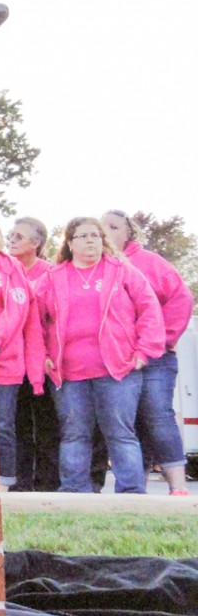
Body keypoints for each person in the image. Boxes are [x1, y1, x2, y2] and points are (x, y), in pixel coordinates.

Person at [33, 217, 165, 493]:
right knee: (74, 435)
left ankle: (131, 493)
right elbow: (35, 321)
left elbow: (150, 311)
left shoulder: (122, 272)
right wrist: (42, 355)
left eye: (95, 235)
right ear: (69, 243)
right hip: (68, 373)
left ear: (103, 241)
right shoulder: (53, 278)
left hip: (118, 370)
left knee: (120, 434)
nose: (90, 240)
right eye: (82, 236)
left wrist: (143, 353)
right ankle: (73, 493)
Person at [101, 210, 193, 496]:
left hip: (154, 359)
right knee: (126, 422)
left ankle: (177, 486)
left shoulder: (150, 263)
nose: (107, 232)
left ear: (129, 232)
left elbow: (182, 299)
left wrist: (161, 341)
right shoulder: (97, 267)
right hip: (118, 360)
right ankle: (133, 489)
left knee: (157, 415)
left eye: (114, 227)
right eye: (102, 227)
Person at [0, 210, 45, 491]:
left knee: (3, 426)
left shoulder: (9, 266)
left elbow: (17, 310)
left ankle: (3, 485)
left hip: (3, 360)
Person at [5, 216, 60, 491]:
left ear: (36, 244)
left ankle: (49, 483)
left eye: (18, 236)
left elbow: (56, 319)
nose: (11, 240)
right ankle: (20, 483)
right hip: (14, 361)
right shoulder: (5, 271)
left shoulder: (51, 273)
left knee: (48, 424)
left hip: (45, 362)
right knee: (18, 425)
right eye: (11, 235)